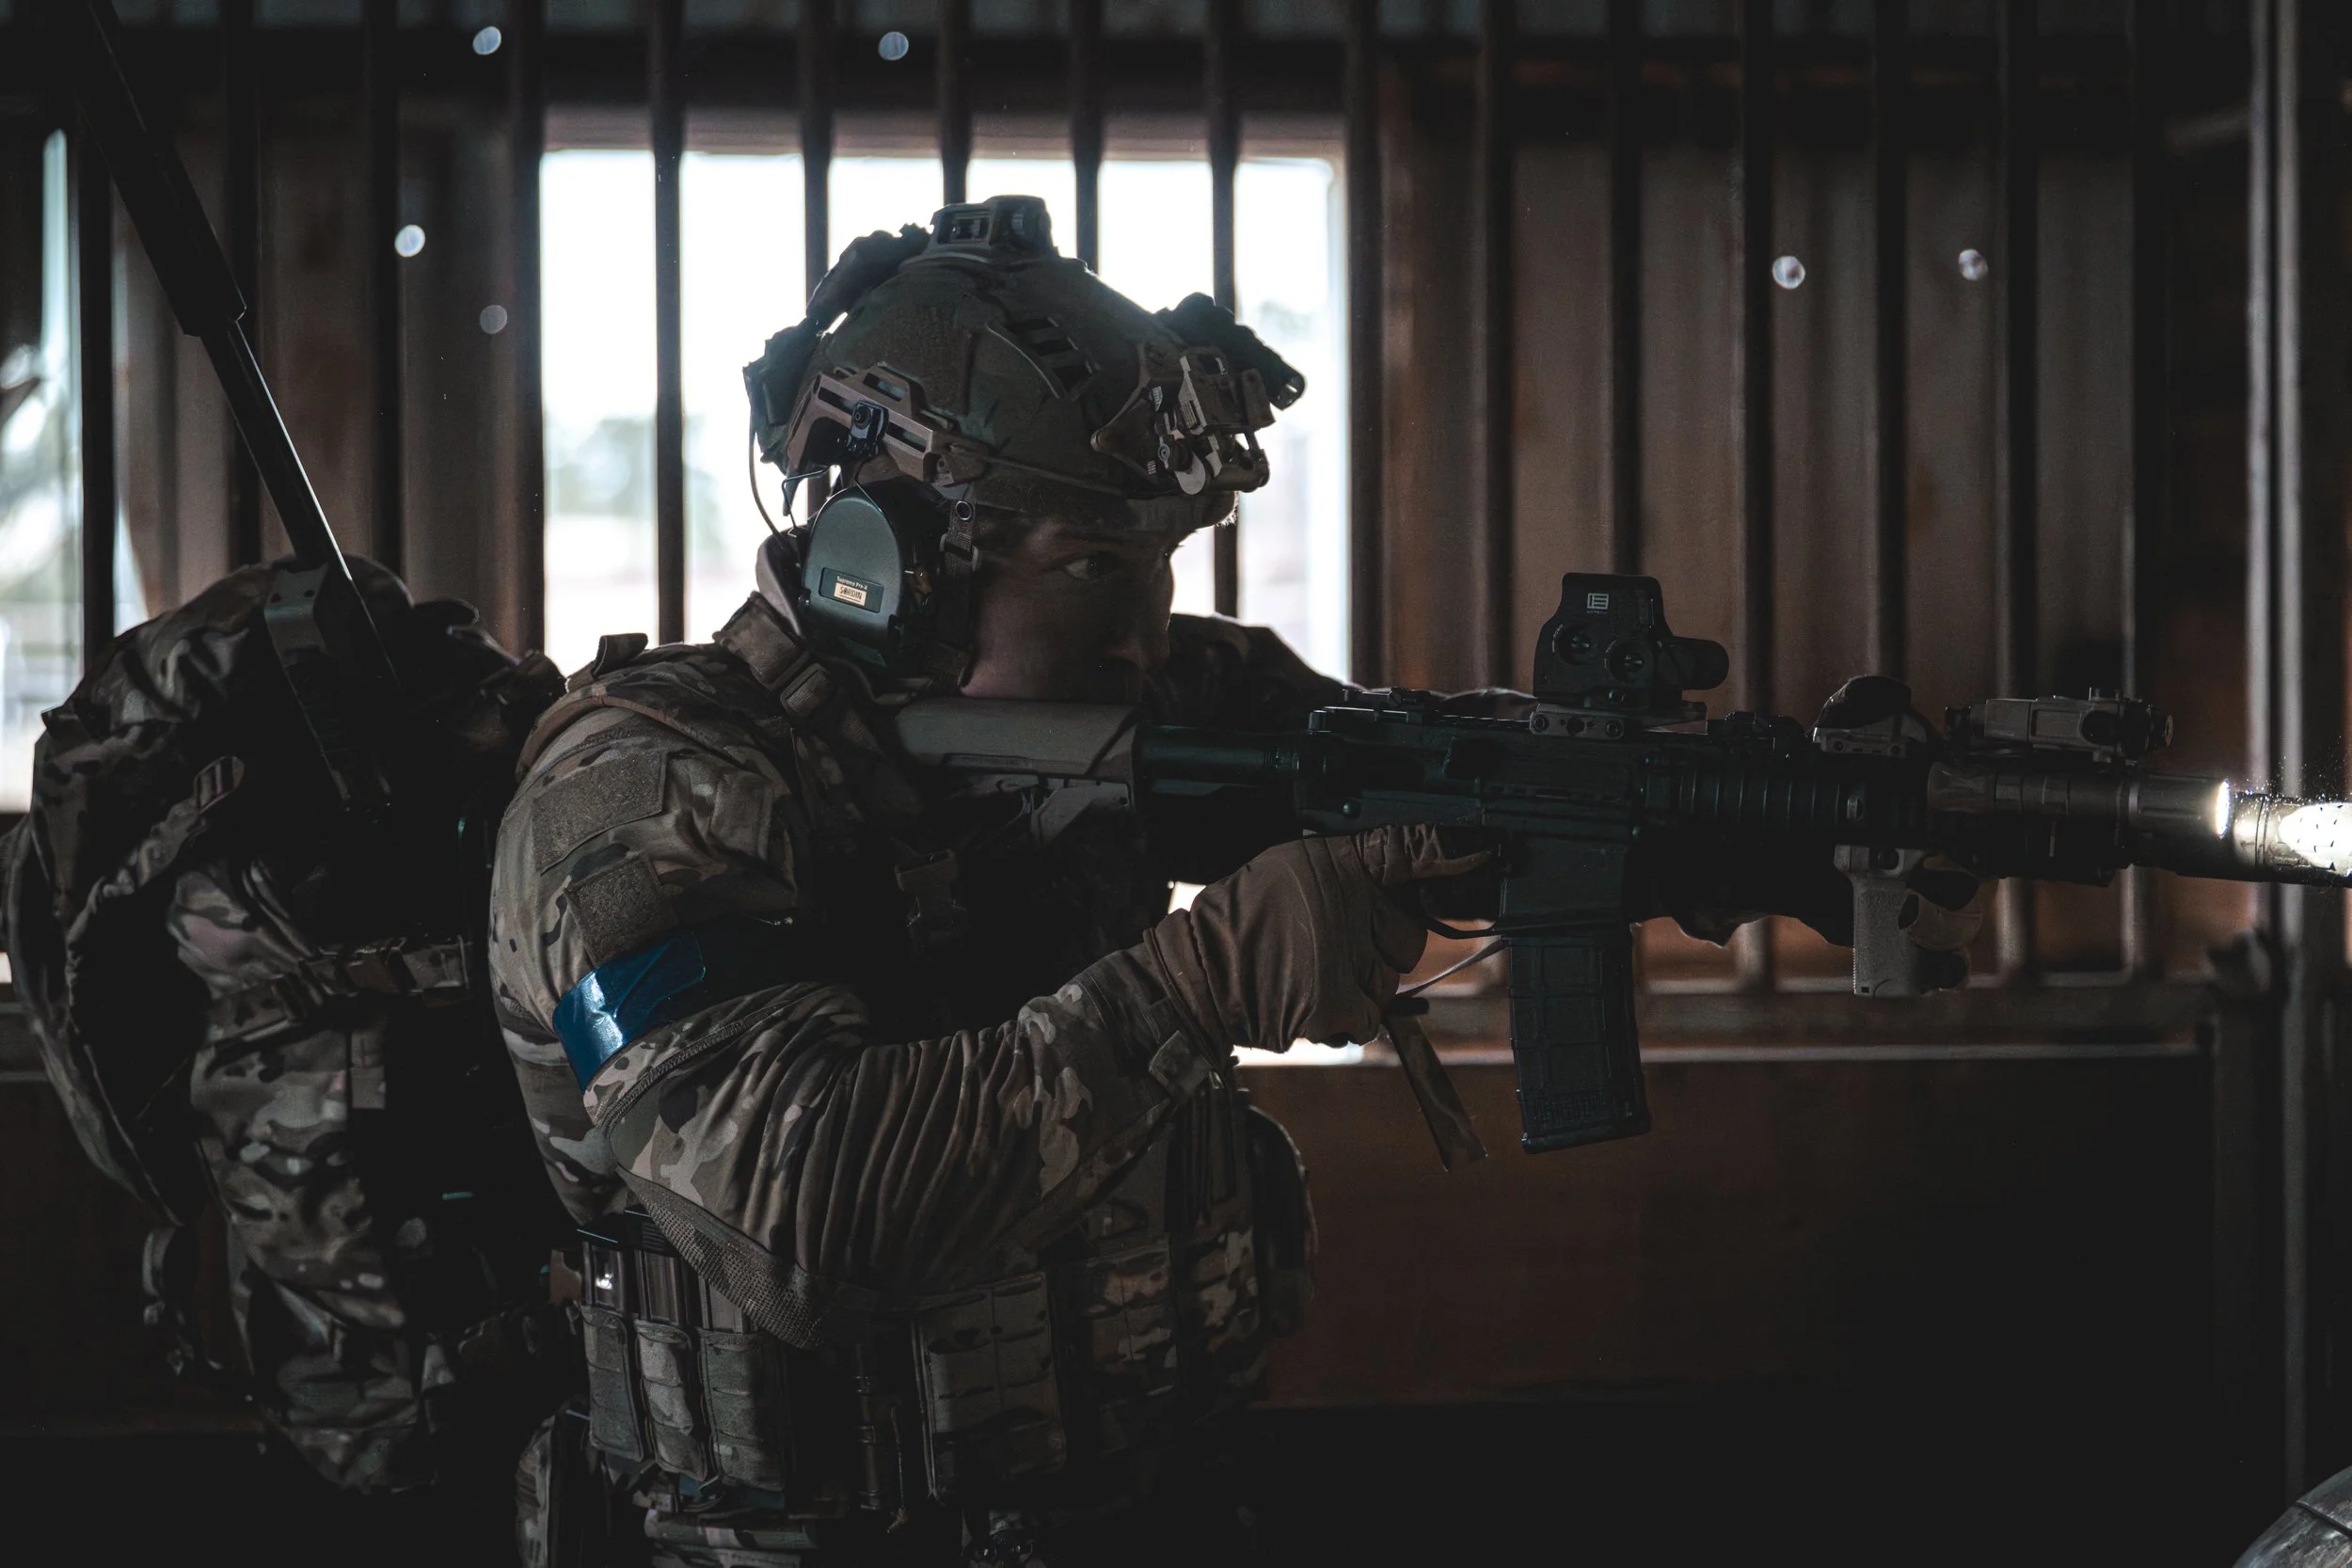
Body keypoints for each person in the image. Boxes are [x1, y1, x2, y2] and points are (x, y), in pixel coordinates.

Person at [487, 194, 1944, 1566]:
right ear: (895, 556)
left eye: (1163, 561)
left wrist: (1773, 824)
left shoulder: (1136, 696)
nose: (1149, 624)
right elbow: (806, 1222)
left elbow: (1452, 795)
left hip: (1134, 1497)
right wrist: (1206, 980)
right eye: (1094, 566)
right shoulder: (645, 793)